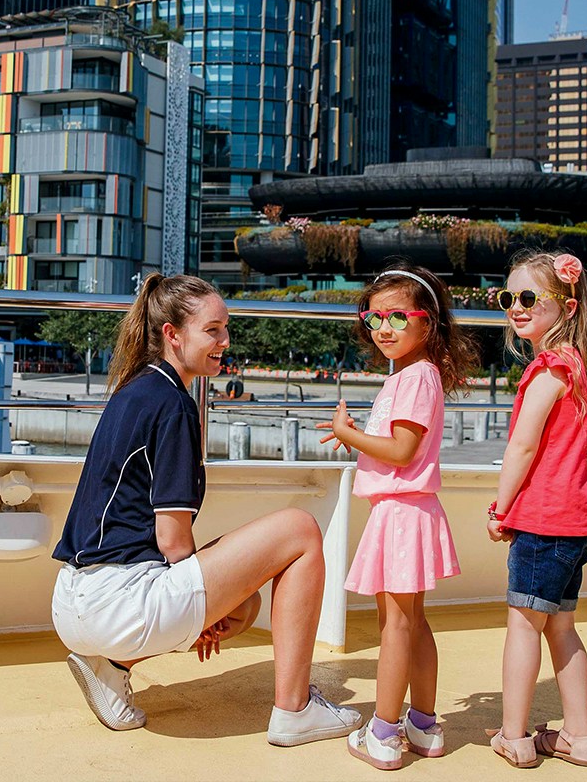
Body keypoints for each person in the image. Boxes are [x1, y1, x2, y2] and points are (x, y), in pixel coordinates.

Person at [51, 274, 361, 746]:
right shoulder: (173, 406)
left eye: (226, 329)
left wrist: (213, 605)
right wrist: (203, 611)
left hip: (74, 602)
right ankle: (295, 710)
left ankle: (112, 670)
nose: (225, 341)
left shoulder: (131, 391)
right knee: (299, 531)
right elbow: (173, 541)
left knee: (246, 605)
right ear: (172, 335)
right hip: (119, 607)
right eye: (212, 330)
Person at [318, 264, 478, 770]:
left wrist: (347, 434)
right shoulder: (417, 375)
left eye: (396, 316)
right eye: (373, 317)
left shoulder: (413, 378)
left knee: (395, 626)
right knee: (413, 623)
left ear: (427, 322)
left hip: (401, 513)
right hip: (411, 511)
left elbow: (401, 450)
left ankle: (383, 731)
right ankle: (423, 724)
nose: (382, 327)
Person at [485, 251, 587, 768]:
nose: (515, 308)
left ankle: (514, 735)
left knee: (523, 625)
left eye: (527, 299)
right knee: (562, 626)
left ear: (563, 306)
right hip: (577, 520)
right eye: (507, 298)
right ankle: (579, 737)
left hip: (543, 519)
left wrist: (501, 508)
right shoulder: (577, 365)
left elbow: (521, 448)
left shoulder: (547, 369)